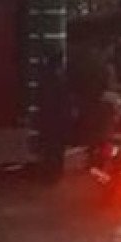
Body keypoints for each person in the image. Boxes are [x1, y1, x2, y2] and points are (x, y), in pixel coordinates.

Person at [36, 52, 70, 182]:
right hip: (56, 119)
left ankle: (50, 173)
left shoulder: (46, 79)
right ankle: (54, 173)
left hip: (48, 118)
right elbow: (63, 100)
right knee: (55, 148)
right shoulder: (58, 79)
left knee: (49, 147)